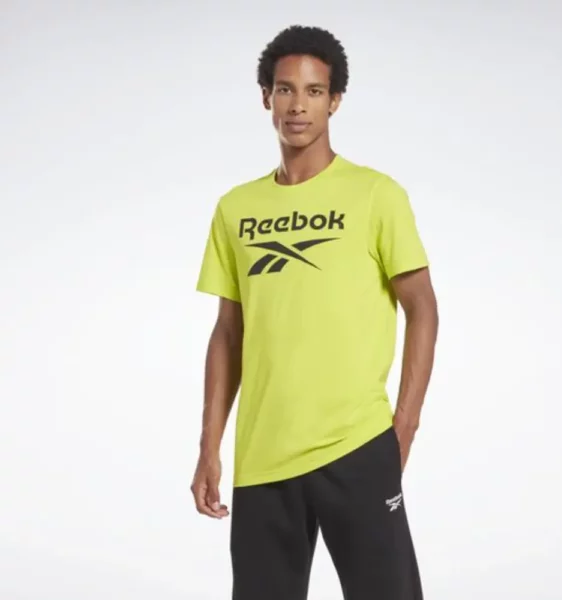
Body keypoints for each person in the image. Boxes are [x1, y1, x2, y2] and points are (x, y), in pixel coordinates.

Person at [190, 24, 439, 600]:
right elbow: (228, 334)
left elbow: (422, 308)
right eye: (285, 89)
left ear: (335, 100)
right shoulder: (236, 208)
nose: (298, 105)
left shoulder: (375, 194)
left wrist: (403, 427)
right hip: (263, 456)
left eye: (314, 91)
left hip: (357, 445)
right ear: (266, 97)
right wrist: (209, 446)